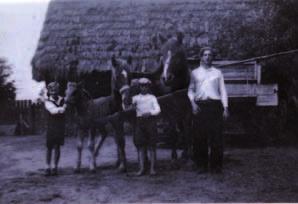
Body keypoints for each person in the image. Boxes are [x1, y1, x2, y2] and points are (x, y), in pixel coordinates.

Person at [188, 47, 229, 174]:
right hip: (200, 106)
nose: (207, 57)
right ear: (201, 57)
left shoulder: (218, 73)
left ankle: (216, 166)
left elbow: (223, 91)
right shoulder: (195, 73)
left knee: (216, 137)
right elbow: (190, 90)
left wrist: (225, 108)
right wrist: (193, 104)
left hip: (215, 106)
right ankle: (201, 165)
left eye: (210, 55)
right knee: (200, 137)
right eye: (205, 55)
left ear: (213, 57)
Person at [132, 78, 161, 176]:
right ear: (139, 87)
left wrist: (150, 113)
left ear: (148, 87)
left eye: (145, 86)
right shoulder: (135, 98)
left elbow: (158, 109)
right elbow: (126, 107)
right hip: (140, 122)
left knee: (152, 146)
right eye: (142, 86)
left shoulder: (152, 97)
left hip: (150, 122)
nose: (144, 88)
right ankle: (141, 169)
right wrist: (131, 106)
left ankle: (152, 169)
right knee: (140, 147)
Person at [44, 82, 67, 176]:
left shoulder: (63, 99)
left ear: (58, 90)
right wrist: (64, 107)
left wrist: (65, 104)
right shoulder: (47, 102)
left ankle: (55, 167)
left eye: (56, 90)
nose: (54, 92)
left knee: (57, 146)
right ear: (49, 91)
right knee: (49, 147)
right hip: (51, 126)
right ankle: (47, 167)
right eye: (52, 90)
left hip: (60, 126)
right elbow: (54, 111)